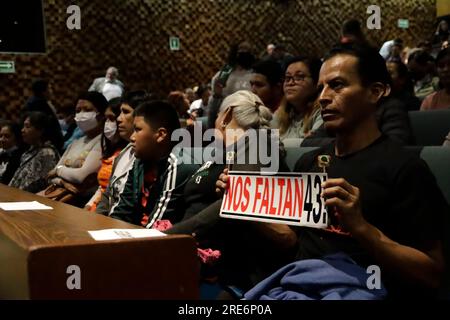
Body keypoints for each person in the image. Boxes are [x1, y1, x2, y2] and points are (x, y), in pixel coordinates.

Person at [253, 44, 447, 300]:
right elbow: (292, 242)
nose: (323, 96)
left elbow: (433, 274)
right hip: (298, 285)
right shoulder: (310, 163)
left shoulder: (405, 169)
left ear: (375, 92)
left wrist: (361, 228)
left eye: (337, 85)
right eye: (321, 87)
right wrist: (247, 204)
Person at [166, 91, 295, 293]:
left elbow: (236, 205)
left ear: (226, 115)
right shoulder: (226, 151)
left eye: (216, 114)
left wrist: (166, 236)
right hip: (191, 250)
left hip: (227, 271)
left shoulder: (259, 142)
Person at [108, 100, 199, 227]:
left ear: (161, 134)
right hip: (135, 235)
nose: (132, 137)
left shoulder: (178, 164)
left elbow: (157, 225)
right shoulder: (140, 161)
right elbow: (122, 210)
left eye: (138, 130)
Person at [42, 91, 108, 205]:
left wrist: (59, 171)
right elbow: (50, 176)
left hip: (82, 202)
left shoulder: (103, 141)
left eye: (87, 110)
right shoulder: (76, 143)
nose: (81, 114)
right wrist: (62, 182)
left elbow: (81, 176)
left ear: (101, 115)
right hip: (61, 195)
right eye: (78, 111)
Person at [96, 90, 151, 216]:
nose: (118, 119)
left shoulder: (148, 158)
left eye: (126, 112)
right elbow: (108, 195)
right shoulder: (122, 153)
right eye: (120, 112)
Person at [85, 97, 127, 211]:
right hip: (96, 207)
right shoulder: (112, 150)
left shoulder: (129, 153)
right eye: (106, 119)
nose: (108, 123)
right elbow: (102, 188)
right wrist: (88, 206)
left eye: (112, 118)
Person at [272, 56, 323, 143]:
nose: (291, 83)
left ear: (316, 82)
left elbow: (311, 145)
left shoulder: (323, 111)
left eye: (299, 77)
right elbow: (264, 143)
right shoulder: (281, 113)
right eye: (287, 78)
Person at [207, 41, 255, 129]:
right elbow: (212, 109)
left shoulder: (255, 75)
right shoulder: (223, 75)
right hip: (225, 123)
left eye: (247, 49)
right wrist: (217, 95)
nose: (244, 52)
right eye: (241, 49)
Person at [9, 112, 60, 193]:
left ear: (40, 131)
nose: (22, 130)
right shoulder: (29, 150)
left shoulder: (47, 153)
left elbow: (44, 184)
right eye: (23, 126)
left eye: (27, 126)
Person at [22, 79, 64, 152]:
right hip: (45, 146)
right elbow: (42, 125)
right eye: (49, 88)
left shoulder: (41, 101)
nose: (51, 91)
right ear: (43, 92)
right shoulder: (37, 104)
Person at [0, 121, 24, 185]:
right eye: (1, 136)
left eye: (7, 136)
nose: (2, 139)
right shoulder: (0, 151)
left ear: (16, 137)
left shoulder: (20, 156)